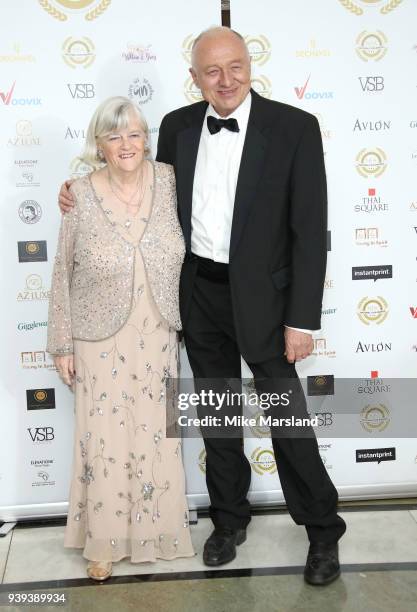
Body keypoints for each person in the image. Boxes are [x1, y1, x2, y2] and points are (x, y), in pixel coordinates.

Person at [58, 28, 346, 585]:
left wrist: (302, 318)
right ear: (195, 78)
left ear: (250, 65)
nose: (226, 80)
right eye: (212, 71)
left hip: (268, 298)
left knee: (287, 422)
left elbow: (310, 230)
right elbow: (140, 186)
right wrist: (75, 191)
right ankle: (228, 520)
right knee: (218, 417)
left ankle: (321, 533)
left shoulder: (294, 128)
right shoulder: (179, 126)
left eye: (235, 67)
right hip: (201, 294)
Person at [48, 96, 194, 581]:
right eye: (114, 136)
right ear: (99, 144)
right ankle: (104, 544)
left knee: (156, 436)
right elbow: (62, 273)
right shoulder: (80, 195)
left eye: (134, 134)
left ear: (146, 138)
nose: (126, 144)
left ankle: (157, 533)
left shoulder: (172, 180)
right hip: (97, 336)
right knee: (105, 439)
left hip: (157, 333)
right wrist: (63, 344)